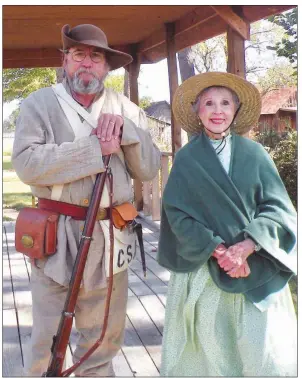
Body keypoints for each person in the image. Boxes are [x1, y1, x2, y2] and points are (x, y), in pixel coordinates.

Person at [12, 24, 161, 376]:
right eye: (79, 55)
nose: (87, 64)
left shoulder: (126, 109)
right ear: (65, 61)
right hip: (56, 238)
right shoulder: (40, 105)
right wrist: (93, 149)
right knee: (48, 341)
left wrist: (128, 134)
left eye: (96, 57)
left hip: (110, 239)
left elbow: (149, 169)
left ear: (106, 67)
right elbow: (27, 164)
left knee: (103, 340)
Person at [157, 72, 297, 376]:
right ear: (197, 111)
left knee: (264, 355)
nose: (217, 110)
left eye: (224, 103)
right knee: (209, 354)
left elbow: (279, 209)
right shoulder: (186, 159)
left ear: (235, 109)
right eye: (208, 103)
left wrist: (246, 247)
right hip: (205, 266)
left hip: (255, 262)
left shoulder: (256, 154)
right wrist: (219, 251)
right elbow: (177, 214)